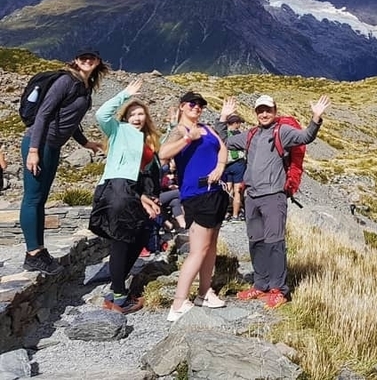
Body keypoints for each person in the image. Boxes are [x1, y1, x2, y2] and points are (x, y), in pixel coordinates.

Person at [219, 93, 330, 309]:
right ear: (256, 113)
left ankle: (279, 289)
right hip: (251, 197)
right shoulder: (250, 135)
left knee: (274, 242)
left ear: (274, 111)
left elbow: (306, 137)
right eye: (260, 110)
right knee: (256, 241)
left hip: (273, 196)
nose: (264, 114)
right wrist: (222, 118)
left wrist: (316, 118)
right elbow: (224, 141)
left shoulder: (283, 132)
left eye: (268, 110)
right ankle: (260, 285)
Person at [20, 48, 108, 275]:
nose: (87, 61)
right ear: (76, 60)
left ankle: (38, 251)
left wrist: (85, 143)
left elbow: (71, 119)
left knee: (40, 199)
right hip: (40, 144)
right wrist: (33, 150)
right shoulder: (65, 81)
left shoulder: (84, 86)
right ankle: (33, 253)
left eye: (92, 58)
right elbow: (43, 115)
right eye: (83, 57)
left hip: (52, 146)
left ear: (97, 62)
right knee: (32, 198)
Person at [88, 77, 162, 313]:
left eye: (140, 114)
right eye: (132, 114)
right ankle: (119, 296)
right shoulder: (118, 130)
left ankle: (116, 287)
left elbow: (141, 175)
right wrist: (125, 94)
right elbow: (101, 114)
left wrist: (147, 198)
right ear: (125, 117)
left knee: (139, 236)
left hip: (131, 192)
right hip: (115, 189)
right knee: (121, 239)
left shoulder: (146, 140)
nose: (137, 118)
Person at [159, 91, 229, 321]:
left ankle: (204, 292)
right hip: (197, 194)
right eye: (192, 104)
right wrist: (189, 139)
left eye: (200, 105)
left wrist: (220, 165)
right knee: (198, 249)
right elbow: (163, 153)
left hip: (216, 192)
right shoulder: (180, 130)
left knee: (211, 247)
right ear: (181, 106)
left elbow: (222, 148)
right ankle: (178, 302)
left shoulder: (207, 128)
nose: (196, 108)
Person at [221, 114, 247, 222]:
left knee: (228, 189)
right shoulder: (238, 135)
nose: (239, 125)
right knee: (238, 191)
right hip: (238, 164)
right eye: (239, 123)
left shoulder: (223, 134)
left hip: (226, 165)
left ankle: (226, 212)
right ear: (235, 123)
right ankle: (235, 215)